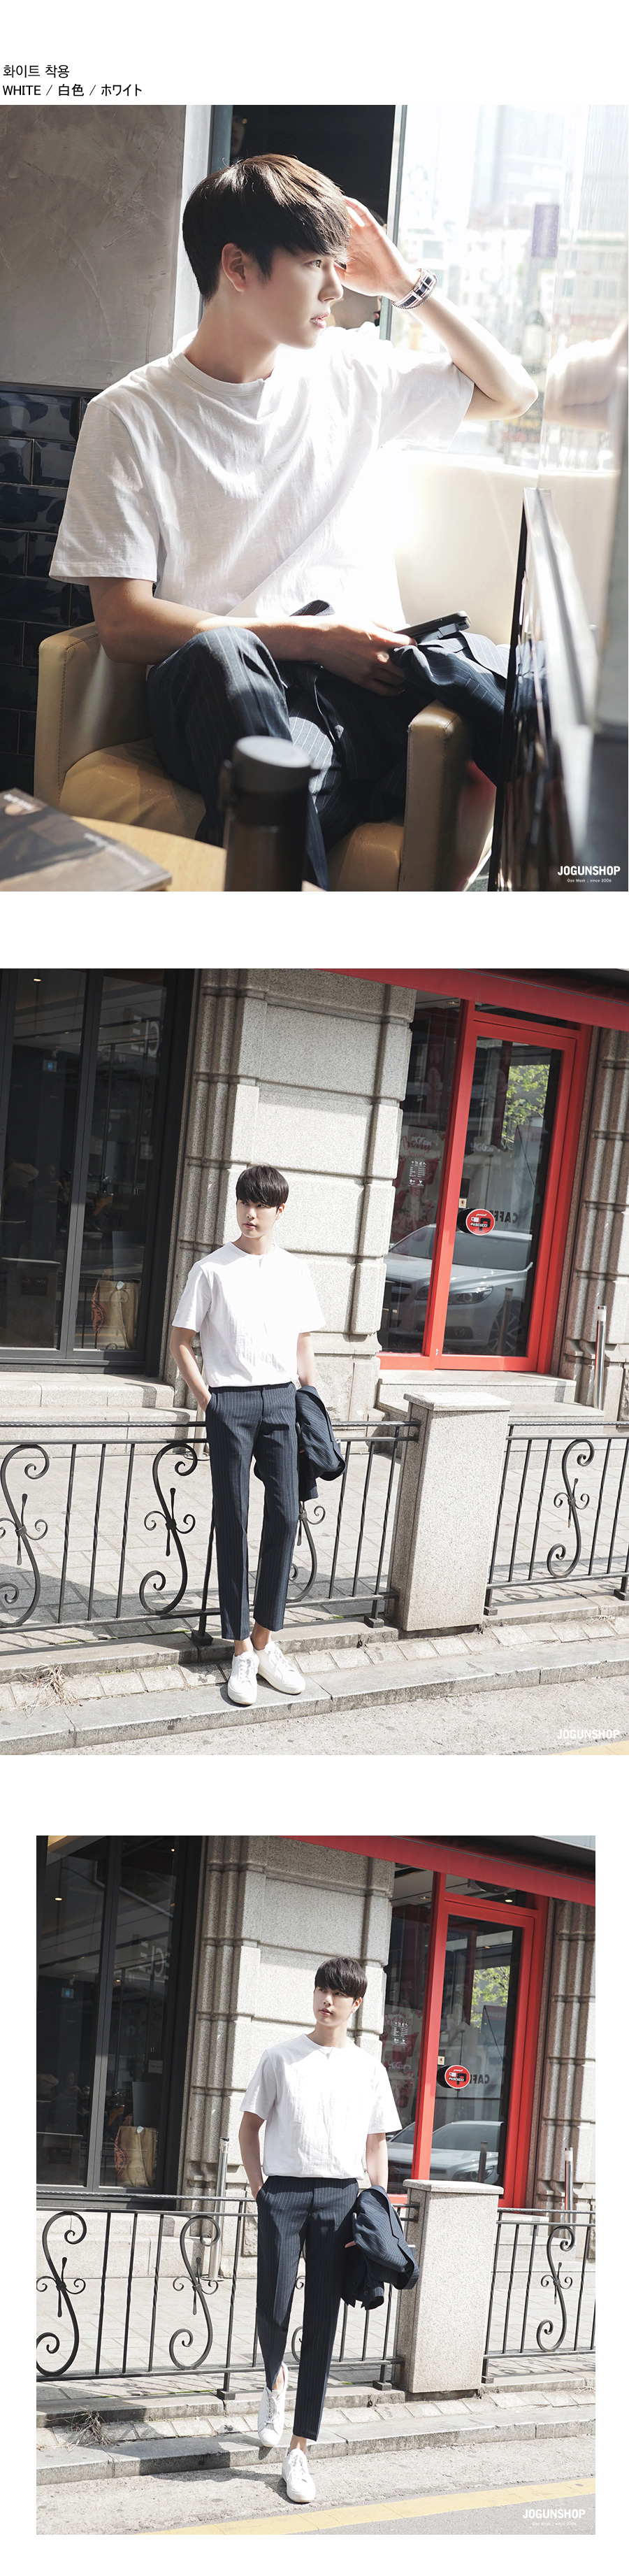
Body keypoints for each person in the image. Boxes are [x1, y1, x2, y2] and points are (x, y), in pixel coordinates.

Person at [49, 155, 537, 889]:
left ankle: (261, 903)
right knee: (223, 656)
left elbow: (511, 394)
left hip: (353, 699)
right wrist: (311, 638)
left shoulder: (349, 372)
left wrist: (407, 286)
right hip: (217, 688)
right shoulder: (130, 416)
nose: (338, 290)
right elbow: (121, 624)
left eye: (339, 266)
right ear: (238, 267)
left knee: (285, 784)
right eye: (316, 266)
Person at [238, 1955, 401, 2504]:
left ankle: (300, 2449)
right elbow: (249, 2129)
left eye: (338, 1994)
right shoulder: (280, 2057)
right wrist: (261, 2191)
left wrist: (376, 2208)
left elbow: (376, 2147)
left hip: (340, 2198)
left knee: (322, 2323)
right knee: (273, 2308)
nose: (326, 2001)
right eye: (320, 1990)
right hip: (283, 2194)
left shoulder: (369, 2070)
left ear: (356, 2004)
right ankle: (274, 2381)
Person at [169, 1163, 324, 1705]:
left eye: (261, 1205)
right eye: (244, 1203)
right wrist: (210, 1401)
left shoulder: (295, 1271)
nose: (250, 1214)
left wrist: (312, 1402)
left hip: (282, 1400)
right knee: (232, 1519)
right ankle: (239, 1650)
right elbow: (181, 1340)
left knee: (285, 1515)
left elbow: (303, 1343)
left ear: (280, 1211)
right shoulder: (211, 1270)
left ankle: (264, 1640)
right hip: (229, 1403)